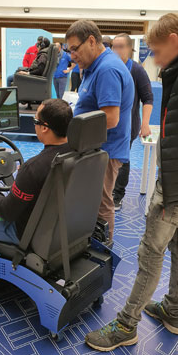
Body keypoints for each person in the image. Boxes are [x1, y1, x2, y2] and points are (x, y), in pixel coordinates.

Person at [85, 13, 178, 352]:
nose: (152, 58)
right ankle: (173, 311)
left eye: (155, 49)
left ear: (174, 40)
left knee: (150, 253)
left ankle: (126, 325)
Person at [0, 99, 72, 286]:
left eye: (36, 122)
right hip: (62, 227)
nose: (35, 126)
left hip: (25, 232)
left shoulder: (34, 168)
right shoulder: (78, 154)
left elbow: (7, 212)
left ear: (45, 128)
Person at [65, 20, 134, 240]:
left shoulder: (107, 69)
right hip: (95, 148)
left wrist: (74, 134)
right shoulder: (93, 66)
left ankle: (104, 250)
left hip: (105, 151)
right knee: (92, 200)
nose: (72, 55)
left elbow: (110, 119)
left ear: (92, 41)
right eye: (69, 50)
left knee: (101, 203)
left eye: (75, 49)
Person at [112, 33, 154, 210]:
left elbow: (148, 98)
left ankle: (117, 195)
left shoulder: (136, 69)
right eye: (114, 46)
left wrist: (145, 123)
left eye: (121, 46)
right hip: (109, 123)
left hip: (128, 124)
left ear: (130, 48)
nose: (116, 50)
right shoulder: (109, 67)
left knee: (122, 160)